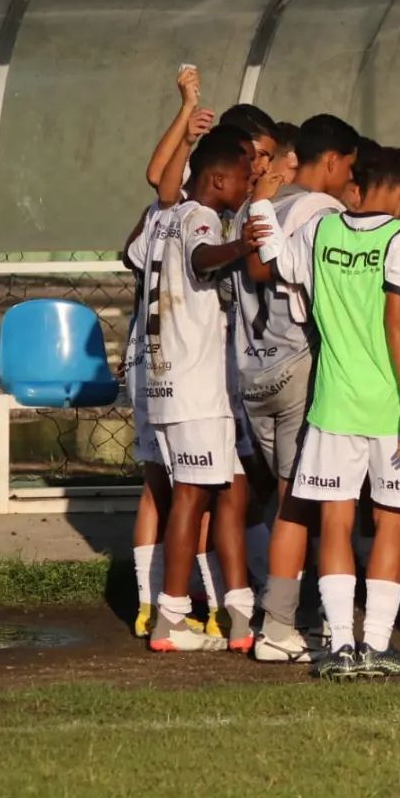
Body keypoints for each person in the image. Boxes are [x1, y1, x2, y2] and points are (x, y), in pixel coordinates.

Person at [251, 146, 400, 681]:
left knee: (335, 519)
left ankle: (342, 647)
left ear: (358, 184)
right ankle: (375, 644)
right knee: (391, 519)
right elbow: (398, 321)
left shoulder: (321, 231)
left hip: (332, 403)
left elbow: (273, 254)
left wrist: (263, 199)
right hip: (391, 407)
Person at [237, 113, 360, 663]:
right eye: (349, 169)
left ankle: (283, 612)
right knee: (302, 501)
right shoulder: (323, 212)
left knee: (283, 498)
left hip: (251, 369)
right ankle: (282, 625)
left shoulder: (260, 207)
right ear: (332, 162)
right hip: (299, 366)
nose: (349, 182)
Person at [139, 127, 261, 654]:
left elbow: (135, 256)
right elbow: (201, 258)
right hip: (194, 384)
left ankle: (239, 610)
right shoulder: (201, 218)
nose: (248, 185)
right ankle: (172, 616)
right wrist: (242, 244)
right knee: (191, 495)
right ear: (217, 179)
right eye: (244, 177)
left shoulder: (161, 217)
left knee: (231, 486)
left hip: (162, 382)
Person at [127, 67, 211, 638]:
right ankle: (171, 601)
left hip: (155, 363)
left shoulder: (174, 214)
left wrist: (187, 119)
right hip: (176, 366)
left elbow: (158, 175)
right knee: (191, 486)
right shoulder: (180, 213)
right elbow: (159, 174)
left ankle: (165, 599)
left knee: (172, 483)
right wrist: (186, 115)